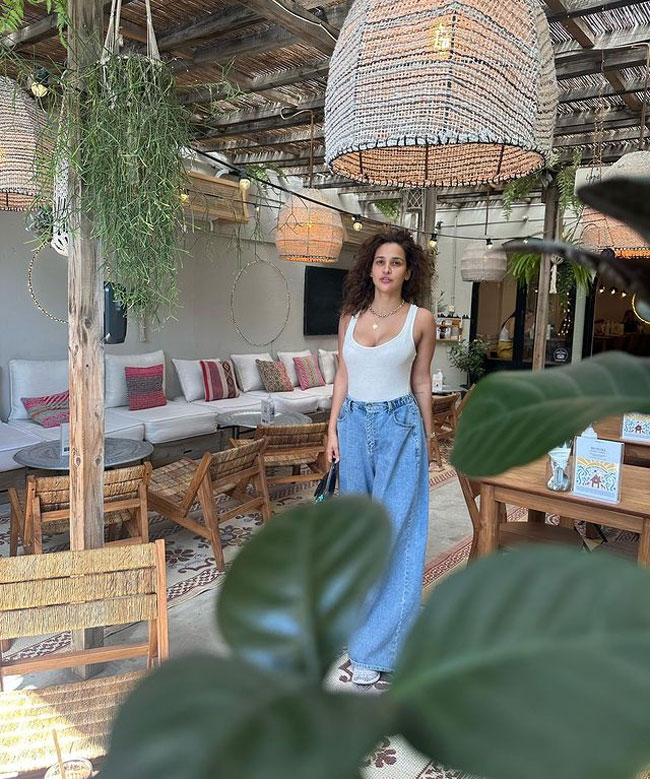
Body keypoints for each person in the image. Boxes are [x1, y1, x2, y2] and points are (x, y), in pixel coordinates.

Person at [326, 227, 436, 686]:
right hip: (353, 425)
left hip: (400, 428)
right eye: (380, 262)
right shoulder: (349, 318)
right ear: (369, 269)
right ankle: (368, 634)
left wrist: (429, 435)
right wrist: (331, 427)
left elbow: (422, 380)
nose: (387, 269)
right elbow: (343, 375)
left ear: (408, 272)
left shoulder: (420, 320)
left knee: (398, 534)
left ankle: (382, 650)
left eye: (396, 262)